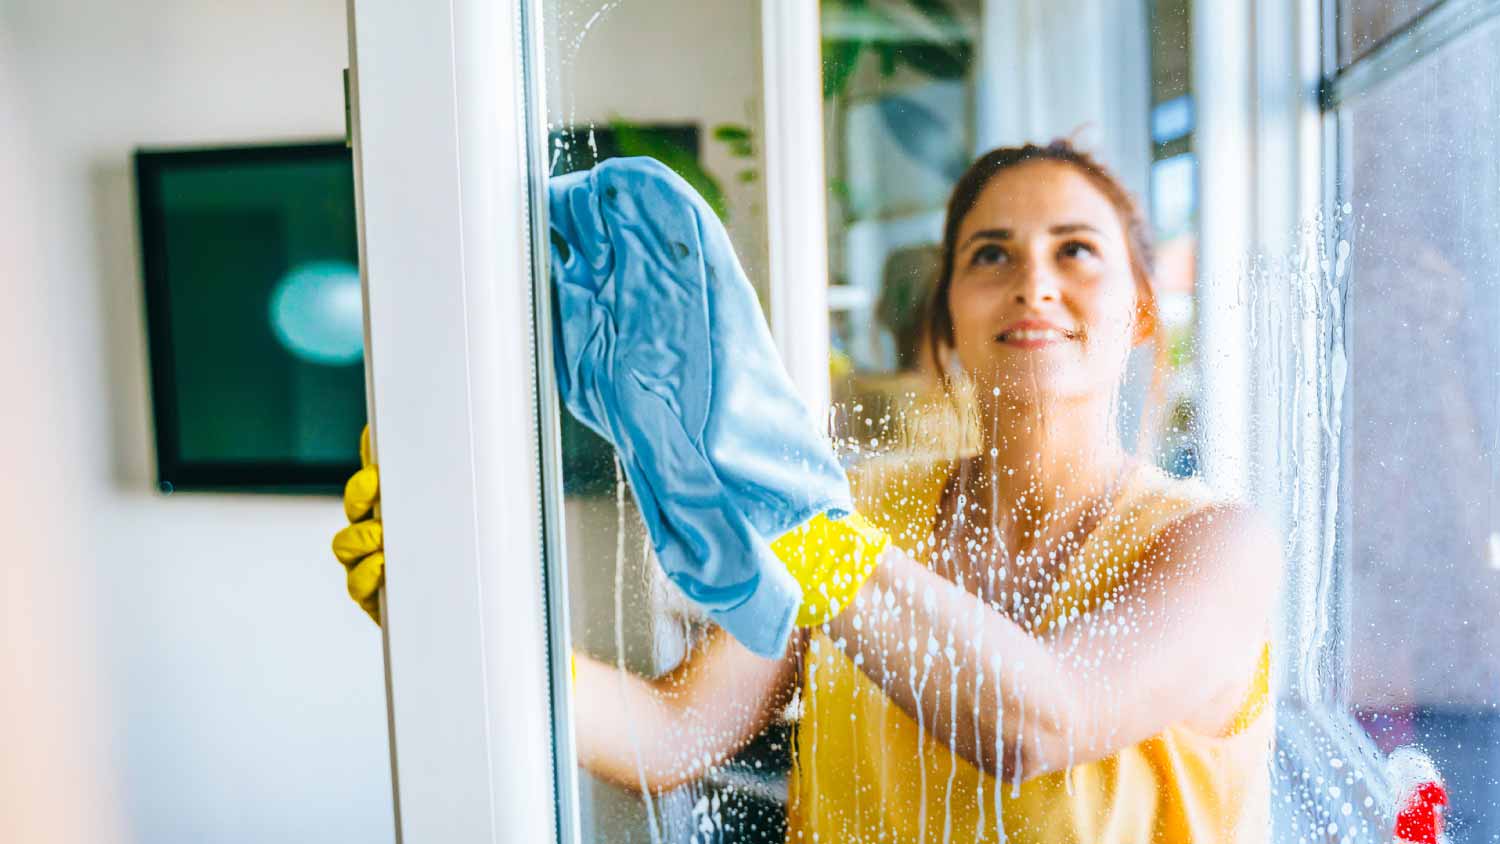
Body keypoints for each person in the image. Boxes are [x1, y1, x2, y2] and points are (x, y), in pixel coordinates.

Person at [332, 140, 1280, 842]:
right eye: (989, 253)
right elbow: (677, 732)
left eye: (1076, 250)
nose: (1032, 278)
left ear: (1143, 309)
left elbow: (1041, 721)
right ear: (946, 312)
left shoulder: (1217, 548)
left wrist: (781, 502)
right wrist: (469, 634)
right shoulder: (865, 509)